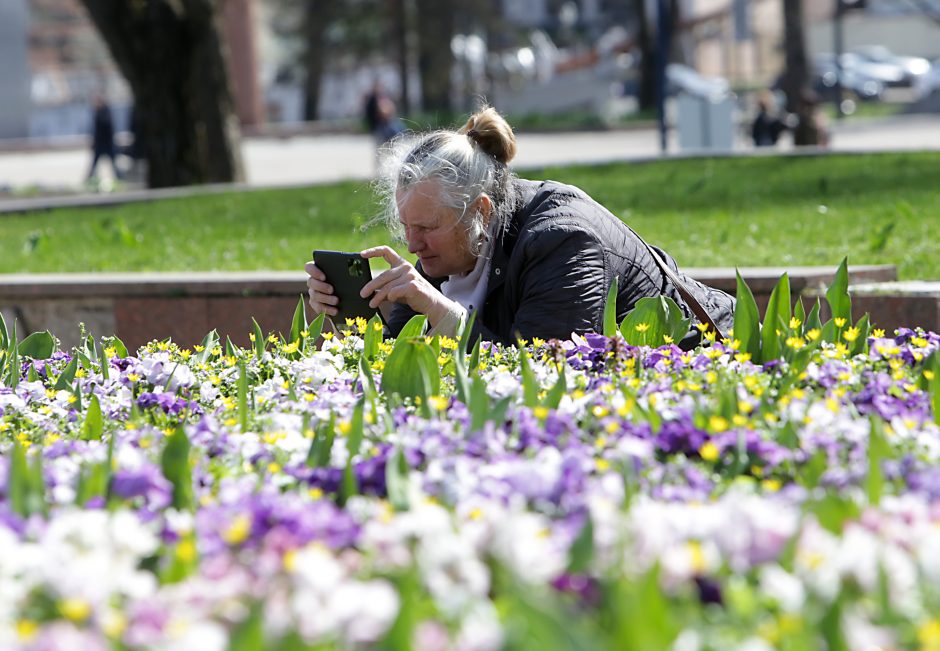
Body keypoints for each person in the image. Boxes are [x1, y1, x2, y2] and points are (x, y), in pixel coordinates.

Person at [306, 106, 735, 350]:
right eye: (406, 227)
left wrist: (440, 313)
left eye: (426, 227)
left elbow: (541, 371)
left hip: (708, 361)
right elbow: (404, 358)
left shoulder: (563, 240)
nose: (414, 244)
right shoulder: (446, 242)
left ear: (482, 212)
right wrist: (355, 314)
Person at [87, 93, 123, 181]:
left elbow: (106, 129)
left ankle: (120, 178)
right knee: (95, 164)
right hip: (101, 143)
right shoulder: (99, 112)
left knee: (112, 163)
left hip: (106, 143)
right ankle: (90, 178)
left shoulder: (104, 113)